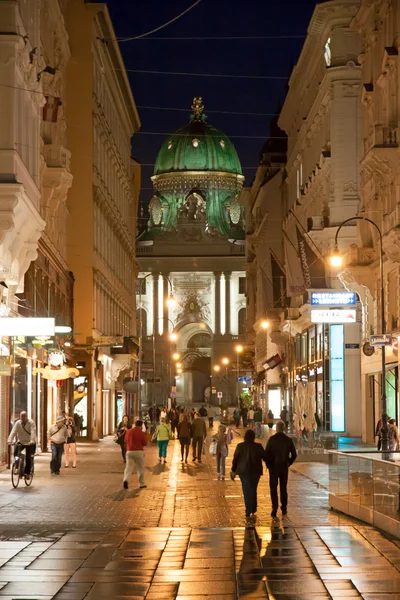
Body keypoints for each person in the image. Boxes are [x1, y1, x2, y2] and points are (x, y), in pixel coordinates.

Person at [231, 429, 267, 524]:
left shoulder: (240, 446)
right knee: (253, 489)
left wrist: (233, 470)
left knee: (246, 489)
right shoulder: (258, 446)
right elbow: (265, 457)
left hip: (244, 472)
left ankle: (248, 510)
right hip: (256, 471)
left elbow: (235, 459)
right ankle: (253, 508)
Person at [265, 420, 297, 517]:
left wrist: (268, 464)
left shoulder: (272, 439)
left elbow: (266, 454)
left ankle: (274, 507)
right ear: (283, 428)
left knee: (273, 488)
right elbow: (294, 455)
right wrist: (288, 463)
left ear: (277, 428)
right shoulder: (288, 440)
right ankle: (284, 507)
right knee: (283, 488)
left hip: (273, 468)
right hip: (283, 467)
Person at [8, 410, 36, 480]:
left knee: (28, 457)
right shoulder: (18, 423)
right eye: (21, 416)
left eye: (24, 416)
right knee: (15, 453)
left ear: (27, 416)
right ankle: (17, 465)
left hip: (30, 442)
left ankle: (27, 473)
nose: (23, 418)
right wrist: (9, 440)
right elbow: (13, 432)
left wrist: (32, 440)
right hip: (21, 441)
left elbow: (33, 432)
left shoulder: (31, 423)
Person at [123, 420, 148, 489]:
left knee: (128, 467)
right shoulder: (141, 433)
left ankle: (126, 480)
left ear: (135, 424)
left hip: (129, 451)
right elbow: (145, 443)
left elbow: (125, 440)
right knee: (140, 468)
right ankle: (141, 483)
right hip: (139, 451)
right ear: (141, 425)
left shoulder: (129, 431)